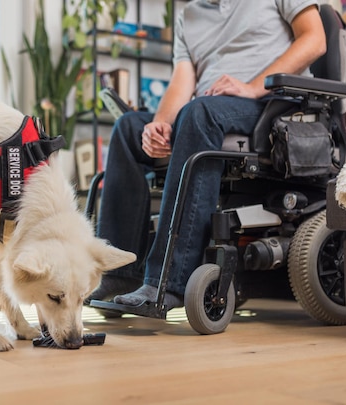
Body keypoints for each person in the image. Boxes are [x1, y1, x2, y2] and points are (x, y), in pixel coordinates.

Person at [86, 0, 327, 310]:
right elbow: (182, 81)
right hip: (206, 111)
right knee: (130, 128)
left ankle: (168, 282)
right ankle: (118, 272)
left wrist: (253, 87)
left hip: (269, 105)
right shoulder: (190, 14)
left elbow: (314, 39)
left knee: (198, 114)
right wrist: (159, 125)